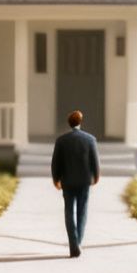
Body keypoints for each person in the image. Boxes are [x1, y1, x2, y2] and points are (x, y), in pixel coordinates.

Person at [50, 109, 100, 257]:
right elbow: (95, 161)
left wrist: (56, 179)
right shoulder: (90, 139)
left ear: (69, 122)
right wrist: (96, 176)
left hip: (68, 181)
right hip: (84, 181)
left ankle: (73, 244)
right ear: (80, 122)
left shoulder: (61, 141)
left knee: (69, 212)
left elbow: (55, 163)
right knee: (82, 211)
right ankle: (78, 242)